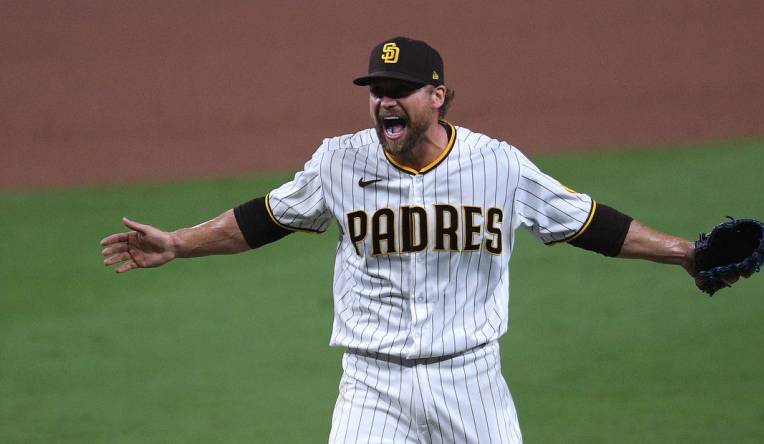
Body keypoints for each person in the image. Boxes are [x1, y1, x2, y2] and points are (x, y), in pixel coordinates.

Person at [101, 36, 696, 443]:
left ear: (437, 96)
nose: (385, 99)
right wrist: (178, 243)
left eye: (400, 88)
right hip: (371, 385)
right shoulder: (340, 160)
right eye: (377, 88)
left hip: (472, 383)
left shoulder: (499, 167)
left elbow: (588, 222)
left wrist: (686, 253)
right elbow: (264, 218)